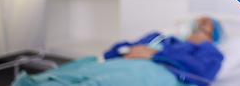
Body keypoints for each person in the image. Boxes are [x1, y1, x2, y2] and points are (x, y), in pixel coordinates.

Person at [12, 17, 224, 86]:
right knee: (62, 76)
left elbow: (203, 74)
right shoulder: (159, 37)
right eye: (197, 20)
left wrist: (156, 55)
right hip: (123, 63)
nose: (197, 23)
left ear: (211, 33)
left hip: (154, 75)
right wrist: (124, 50)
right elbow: (119, 49)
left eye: (204, 24)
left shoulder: (209, 51)